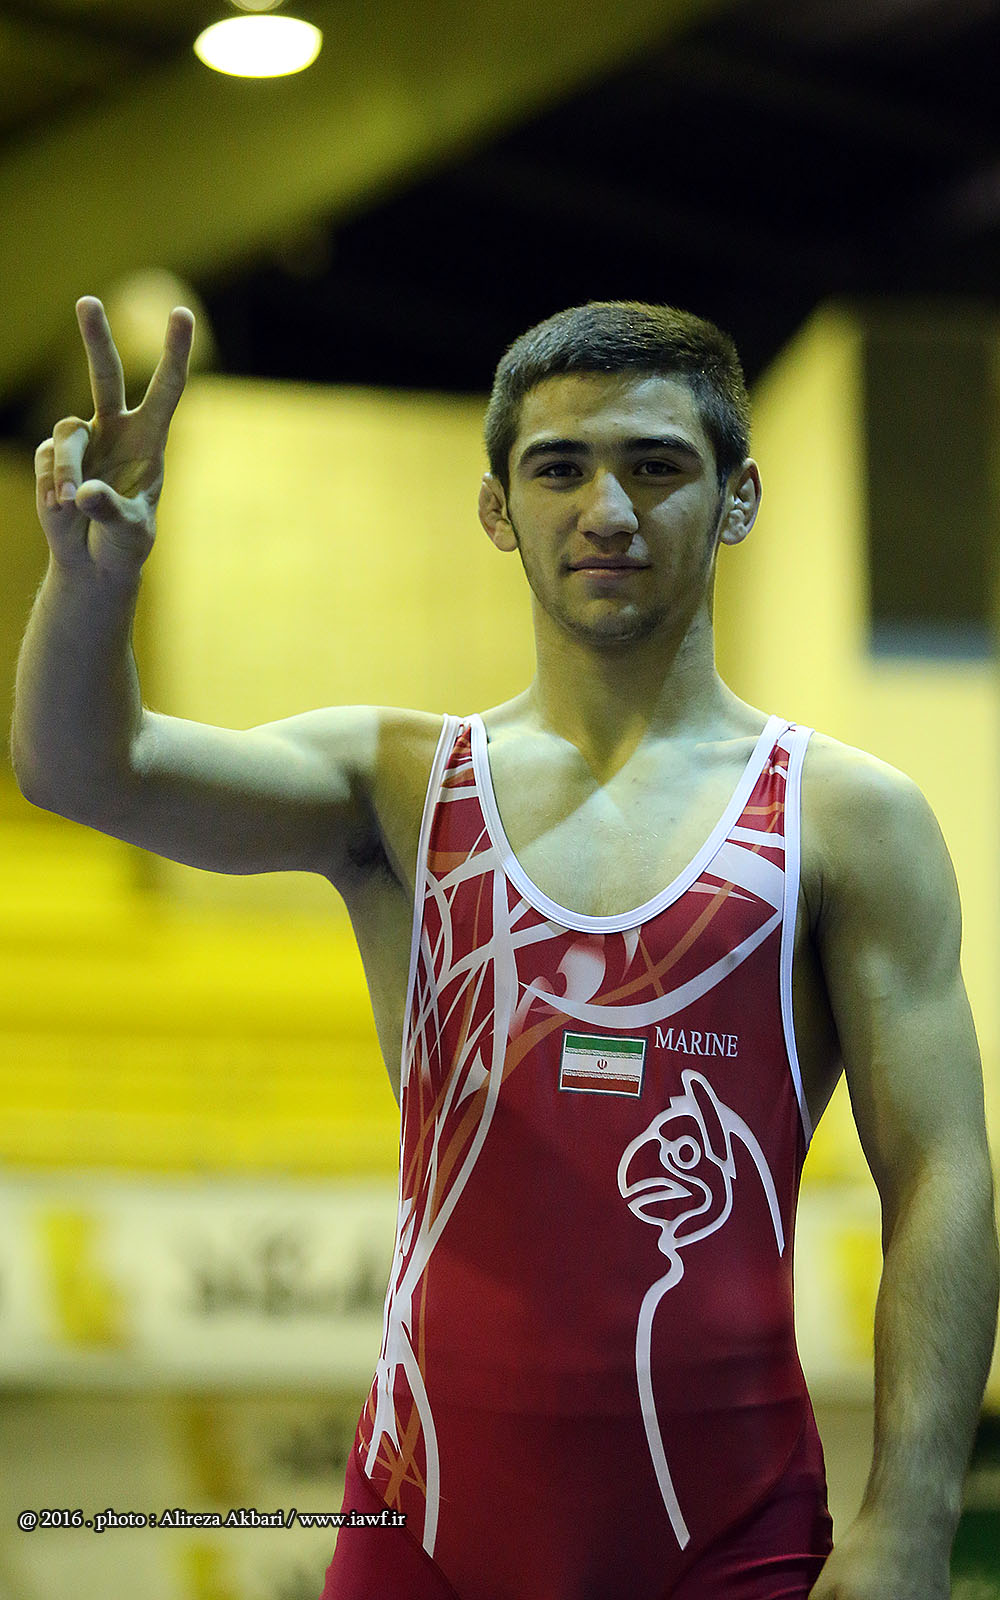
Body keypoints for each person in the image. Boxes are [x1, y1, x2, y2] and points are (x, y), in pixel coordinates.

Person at [11, 296, 998, 1600]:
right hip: (423, 1531)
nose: (609, 508)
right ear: (497, 509)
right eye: (559, 467)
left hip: (726, 1535)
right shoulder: (394, 783)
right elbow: (85, 770)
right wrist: (92, 586)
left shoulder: (846, 818)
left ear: (739, 498)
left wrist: (912, 1517)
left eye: (658, 465)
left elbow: (940, 1173)